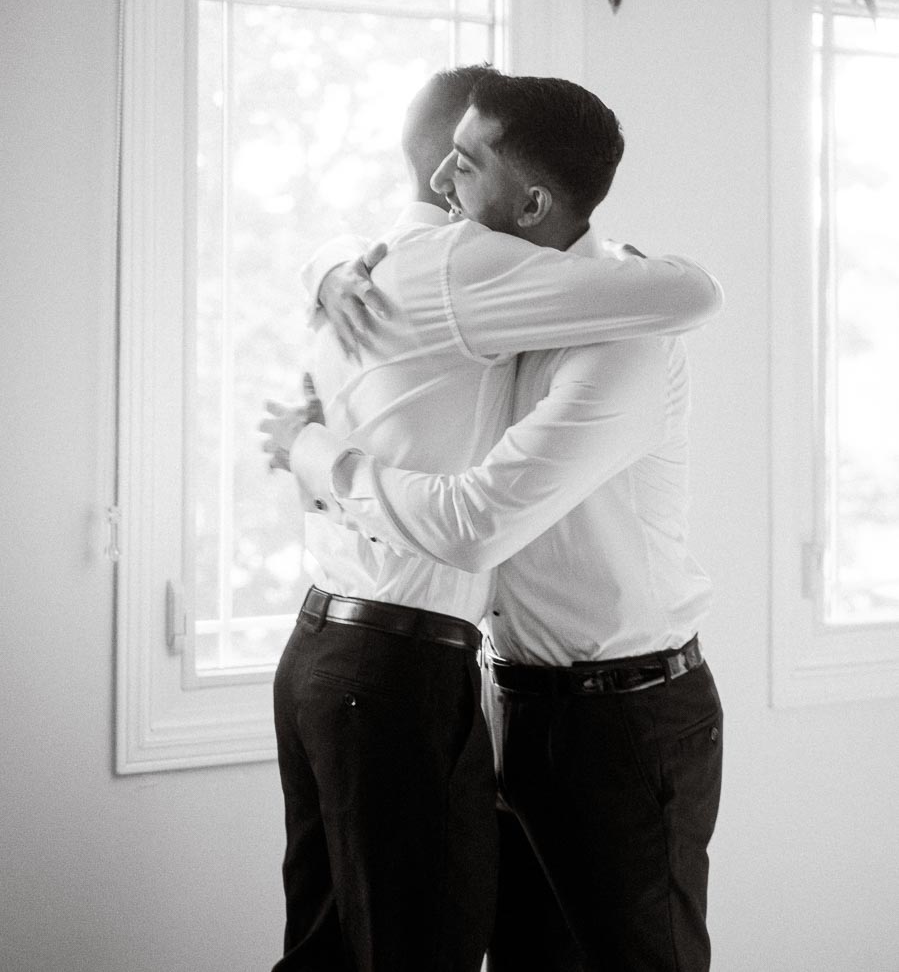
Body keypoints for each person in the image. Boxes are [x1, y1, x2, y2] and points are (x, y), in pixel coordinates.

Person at [261, 66, 722, 972]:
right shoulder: (477, 289)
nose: (439, 183)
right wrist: (322, 269)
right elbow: (395, 250)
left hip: (627, 718)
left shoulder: (617, 333)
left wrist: (316, 454)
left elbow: (475, 523)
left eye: (465, 166)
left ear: (534, 199)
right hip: (517, 696)